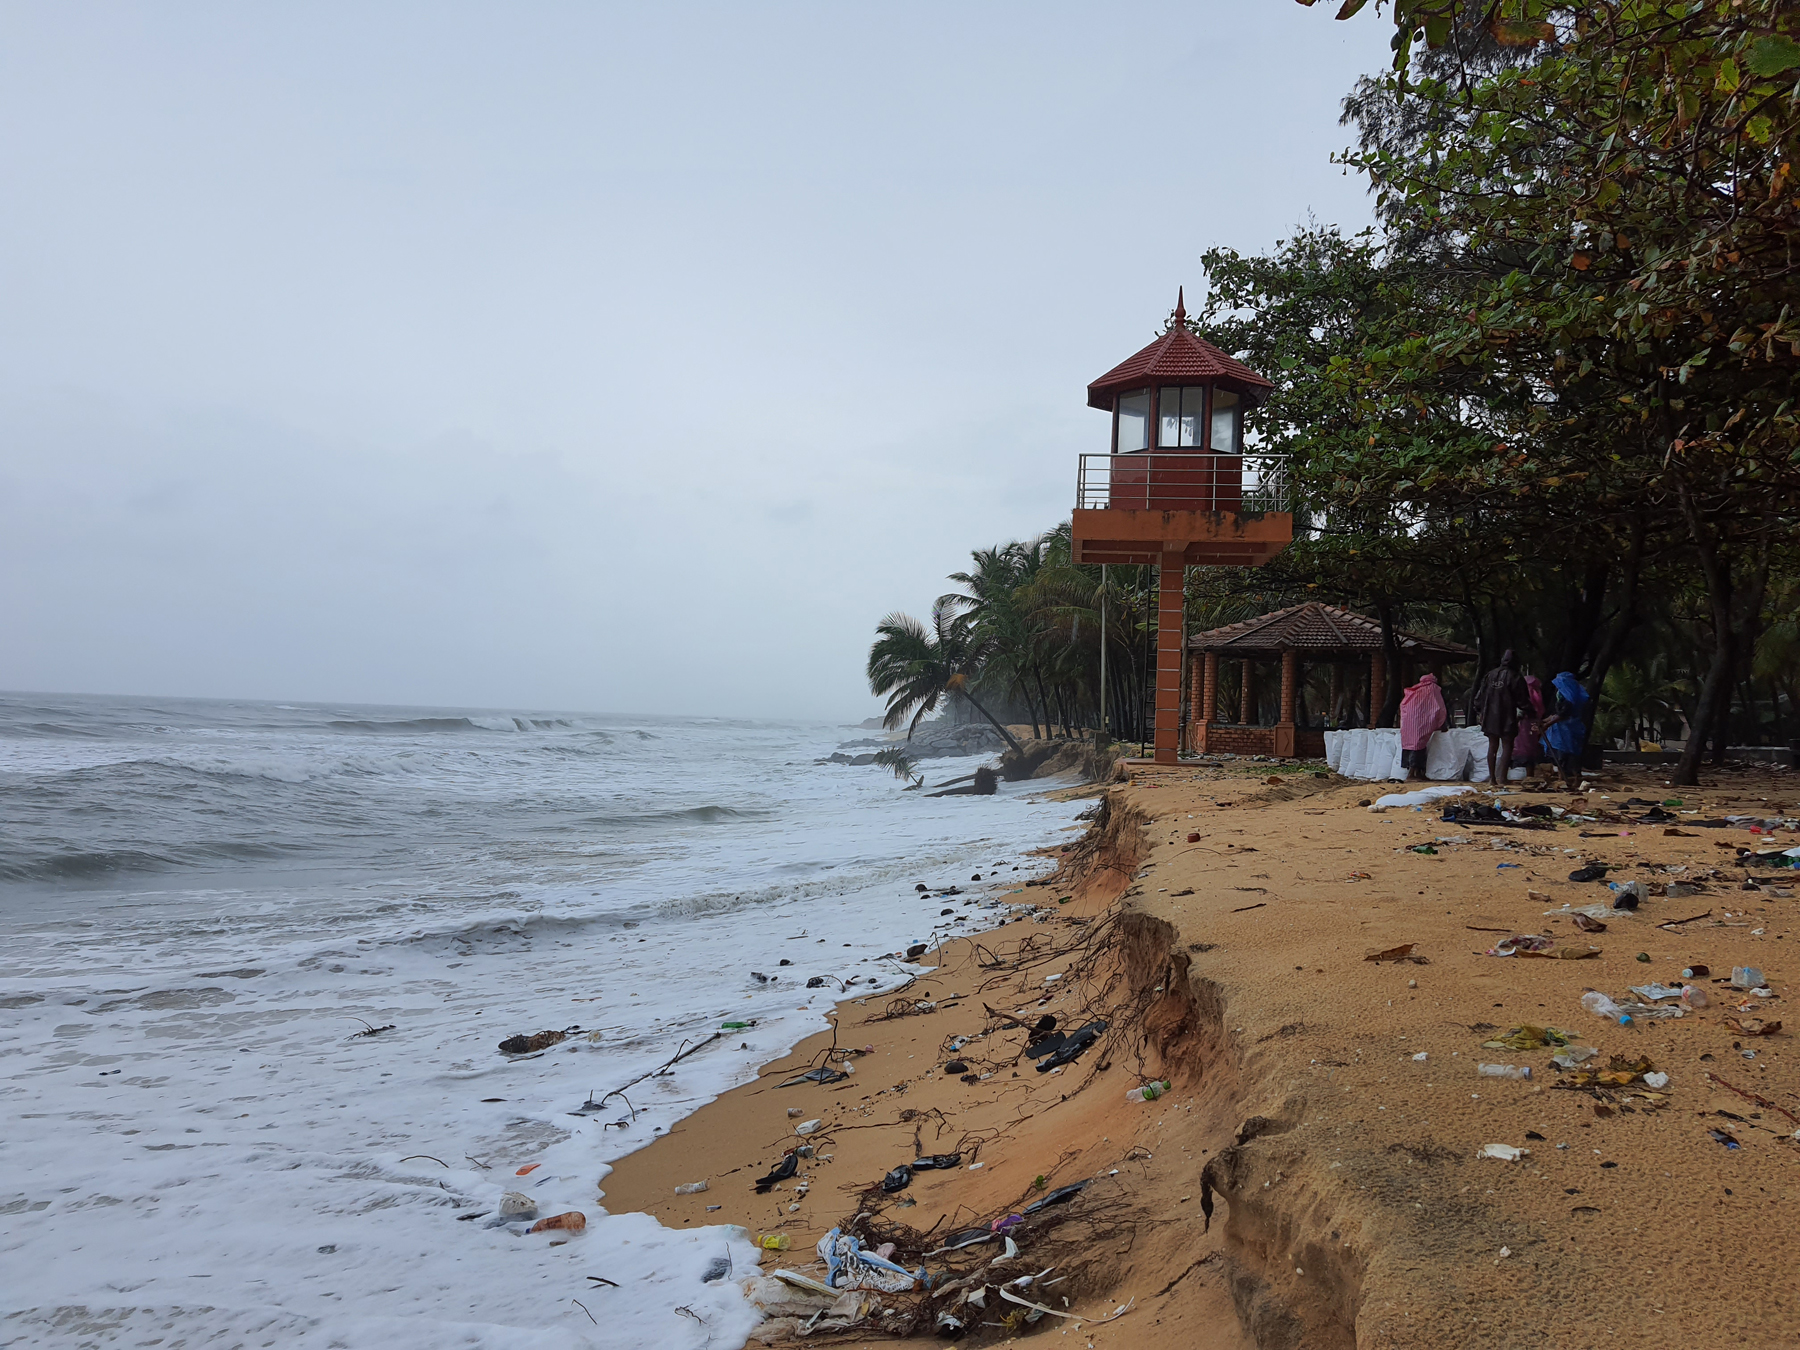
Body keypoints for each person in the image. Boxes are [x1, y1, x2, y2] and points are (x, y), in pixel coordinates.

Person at [1468, 649, 1530, 785]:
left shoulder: (1489, 675)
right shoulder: (1515, 677)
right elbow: (1523, 700)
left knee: (1492, 746)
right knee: (1507, 746)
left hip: (1490, 716)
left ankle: (1492, 779)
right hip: (1508, 716)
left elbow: (1479, 697)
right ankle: (1502, 778)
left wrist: (1480, 711)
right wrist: (1528, 712)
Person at [1540, 671, 1591, 789]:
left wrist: (1547, 724)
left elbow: (1562, 714)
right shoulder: (1562, 694)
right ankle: (1562, 778)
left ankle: (1571, 778)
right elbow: (1556, 713)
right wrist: (1545, 721)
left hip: (1568, 729)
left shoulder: (1571, 697)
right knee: (1561, 755)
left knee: (1568, 755)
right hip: (1563, 729)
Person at [1398, 672, 1448, 780]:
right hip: (1420, 721)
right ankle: (1412, 773)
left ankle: (1418, 773)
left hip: (1409, 721)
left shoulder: (1416, 689)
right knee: (1418, 745)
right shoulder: (1432, 688)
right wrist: (1441, 723)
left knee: (1411, 744)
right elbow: (1438, 706)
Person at [1512, 673, 1545, 776]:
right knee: (1530, 748)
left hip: (1523, 725)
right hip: (1532, 725)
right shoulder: (1536, 694)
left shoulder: (1524, 694)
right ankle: (1529, 773)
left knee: (1521, 747)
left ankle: (1522, 772)